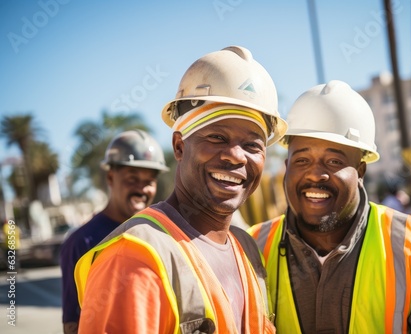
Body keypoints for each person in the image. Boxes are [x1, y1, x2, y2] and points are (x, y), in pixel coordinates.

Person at [75, 46, 287, 333]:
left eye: (252, 145)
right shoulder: (135, 257)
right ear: (179, 146)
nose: (236, 156)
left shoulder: (246, 247)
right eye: (216, 137)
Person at [248, 80, 411, 333]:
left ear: (360, 171)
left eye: (334, 160)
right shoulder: (252, 248)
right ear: (287, 168)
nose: (315, 175)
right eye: (302, 159)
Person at [60, 129, 169, 334]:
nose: (142, 189)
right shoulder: (81, 242)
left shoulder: (160, 234)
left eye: (149, 181)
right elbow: (73, 323)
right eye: (132, 178)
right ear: (111, 177)